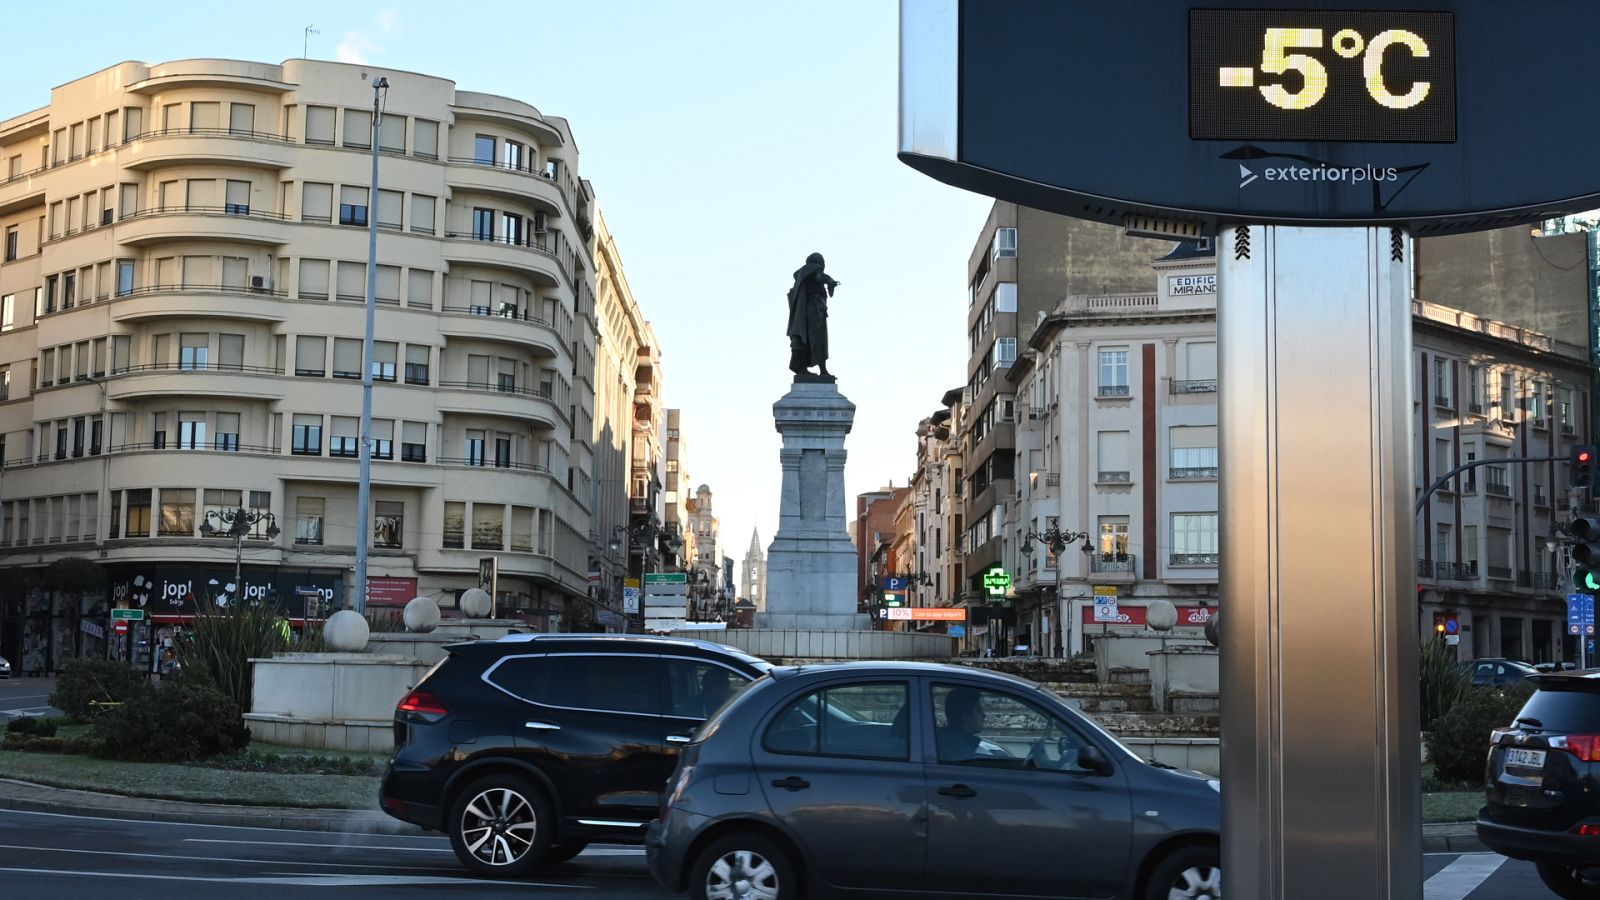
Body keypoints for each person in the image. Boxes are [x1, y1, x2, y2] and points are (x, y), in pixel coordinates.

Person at [786, 252, 840, 379]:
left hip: (816, 312)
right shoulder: (810, 269)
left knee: (817, 341)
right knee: (816, 340)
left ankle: (821, 370)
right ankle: (809, 369)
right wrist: (830, 280)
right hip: (812, 313)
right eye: (822, 262)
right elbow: (819, 276)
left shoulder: (805, 274)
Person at [935, 688, 986, 762]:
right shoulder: (958, 752)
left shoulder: (946, 740)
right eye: (978, 710)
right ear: (964, 716)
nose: (984, 715)